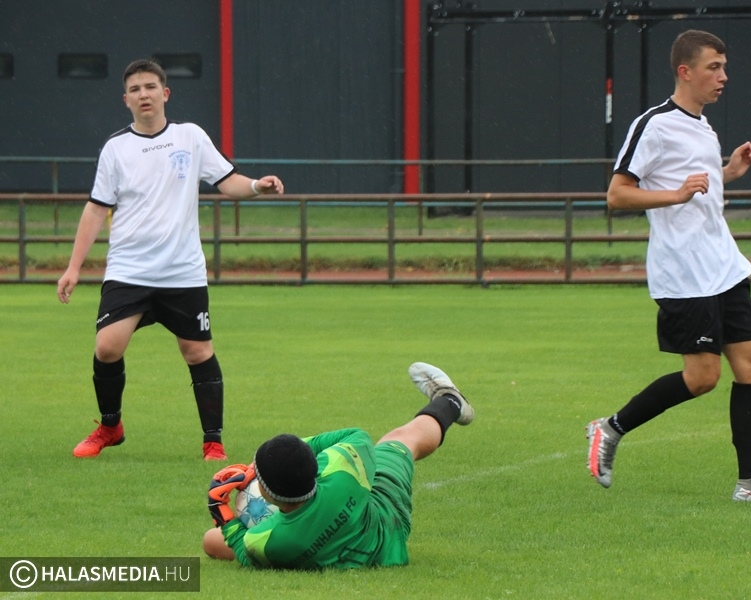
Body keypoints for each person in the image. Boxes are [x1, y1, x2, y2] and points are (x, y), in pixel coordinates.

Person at [585, 30, 751, 504]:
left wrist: (728, 172)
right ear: (685, 72)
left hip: (722, 263)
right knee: (703, 377)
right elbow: (617, 194)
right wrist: (676, 194)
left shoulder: (705, 128)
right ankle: (611, 427)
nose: (723, 77)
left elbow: (698, 189)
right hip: (684, 271)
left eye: (724, 67)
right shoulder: (654, 124)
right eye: (714, 67)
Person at [57, 58, 284, 461]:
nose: (143, 94)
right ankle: (110, 427)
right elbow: (95, 208)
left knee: (197, 352)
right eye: (135, 89)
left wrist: (256, 186)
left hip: (182, 273)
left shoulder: (190, 137)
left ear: (165, 93)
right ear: (125, 99)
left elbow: (227, 181)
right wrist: (74, 267)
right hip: (129, 270)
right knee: (107, 347)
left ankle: (213, 442)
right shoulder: (116, 149)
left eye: (150, 87)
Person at [202, 362, 474, 569]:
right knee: (401, 440)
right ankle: (449, 401)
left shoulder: (274, 540)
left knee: (211, 540)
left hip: (379, 553)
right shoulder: (340, 472)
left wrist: (223, 514)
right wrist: (299, 450)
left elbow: (242, 548)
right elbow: (357, 436)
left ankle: (450, 399)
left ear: (267, 493)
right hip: (385, 518)